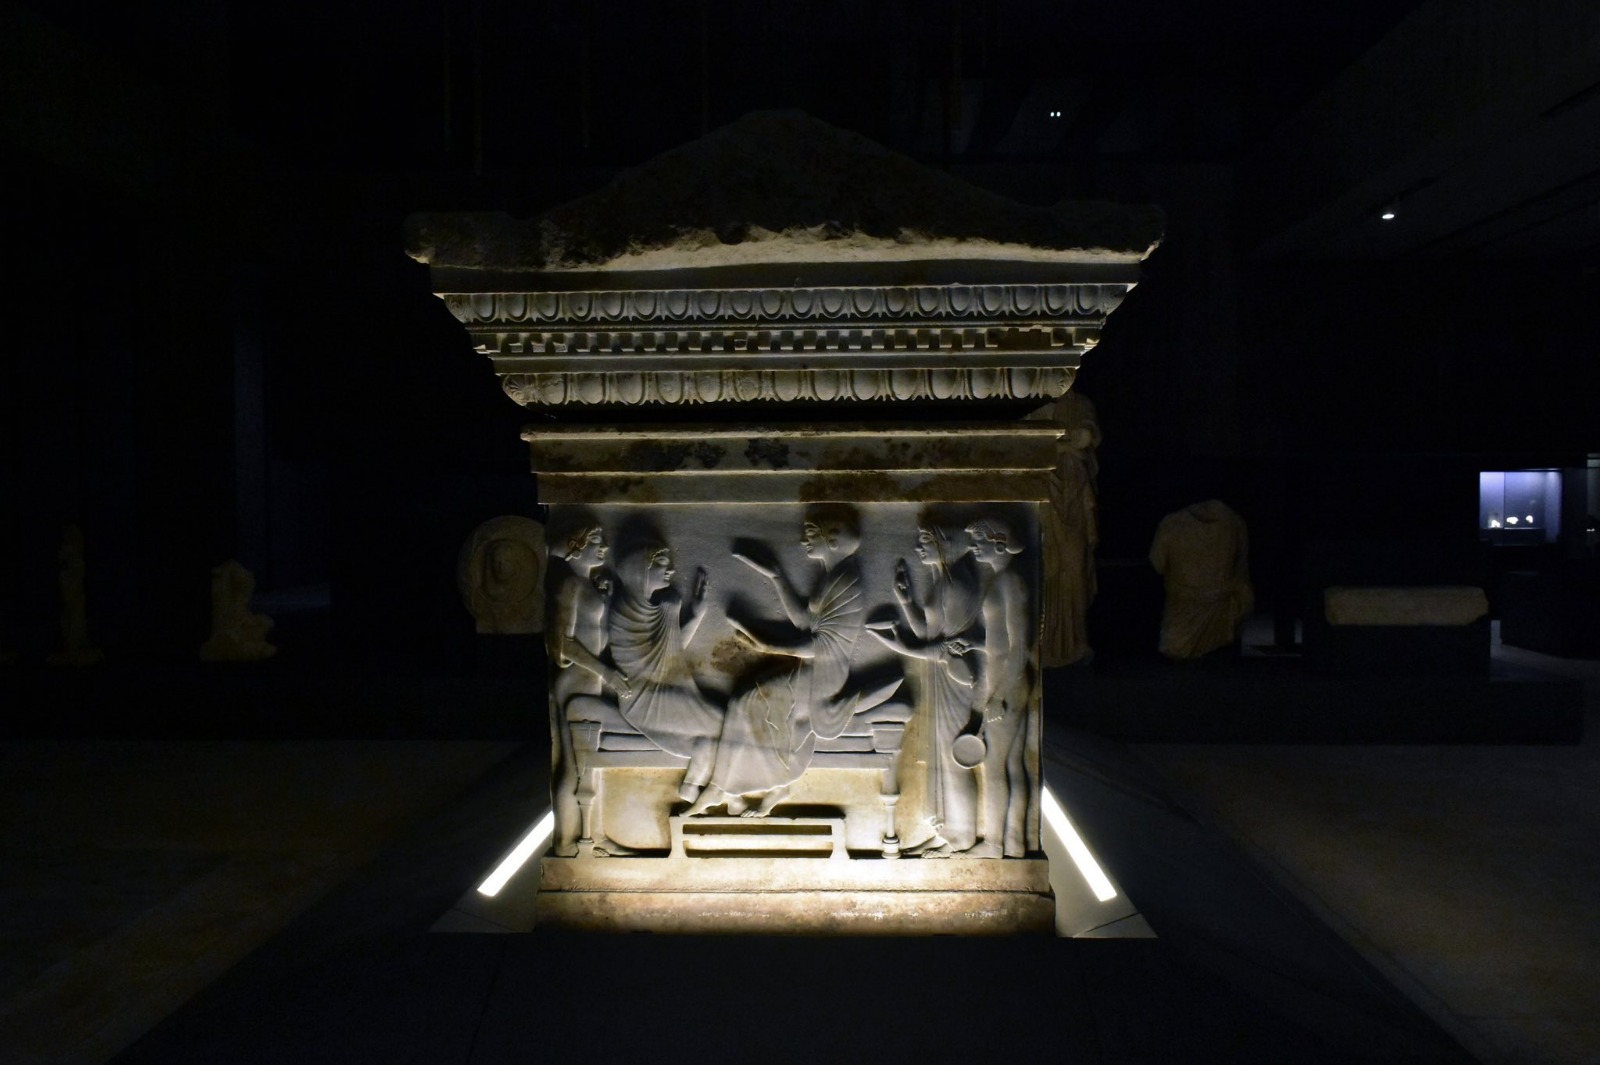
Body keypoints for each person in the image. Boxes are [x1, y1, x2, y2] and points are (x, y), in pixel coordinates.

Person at [686, 505, 903, 817]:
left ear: (832, 538)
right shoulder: (835, 576)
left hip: (824, 678)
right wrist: (775, 574)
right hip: (813, 671)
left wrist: (766, 644)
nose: (803, 540)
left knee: (746, 702)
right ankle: (732, 790)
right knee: (746, 702)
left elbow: (823, 646)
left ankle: (735, 788)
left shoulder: (847, 582)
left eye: (811, 533)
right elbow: (804, 620)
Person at [867, 522, 982, 856]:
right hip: (941, 679)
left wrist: (900, 645)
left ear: (943, 542)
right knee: (941, 759)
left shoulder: (958, 585)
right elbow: (928, 632)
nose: (919, 549)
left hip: (954, 680)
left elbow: (946, 648)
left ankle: (964, 838)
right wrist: (905, 601)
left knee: (954, 760)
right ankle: (948, 832)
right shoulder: (945, 581)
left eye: (925, 542)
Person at [608, 541, 722, 804]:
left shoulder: (655, 608)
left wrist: (696, 615)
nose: (670, 570)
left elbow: (670, 653)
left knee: (721, 724)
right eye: (661, 564)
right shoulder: (625, 613)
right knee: (721, 724)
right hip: (641, 698)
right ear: (642, 570)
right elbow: (654, 664)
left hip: (668, 690)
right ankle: (697, 786)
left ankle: (694, 787)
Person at [547, 524, 630, 855]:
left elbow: (596, 639)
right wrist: (606, 673)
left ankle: (593, 836)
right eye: (596, 541)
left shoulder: (586, 586)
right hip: (576, 682)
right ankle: (566, 841)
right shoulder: (570, 584)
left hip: (590, 680)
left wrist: (605, 601)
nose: (604, 547)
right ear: (575, 547)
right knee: (573, 764)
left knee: (589, 763)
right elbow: (563, 645)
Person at [963, 517, 1037, 858]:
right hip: (1007, 680)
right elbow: (1002, 641)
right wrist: (975, 645)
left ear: (999, 542)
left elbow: (1019, 646)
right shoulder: (1002, 579)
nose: (973, 547)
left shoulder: (1010, 581)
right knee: (1011, 765)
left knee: (994, 766)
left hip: (1008, 683)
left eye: (979, 541)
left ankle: (994, 844)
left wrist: (1000, 695)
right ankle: (1016, 843)